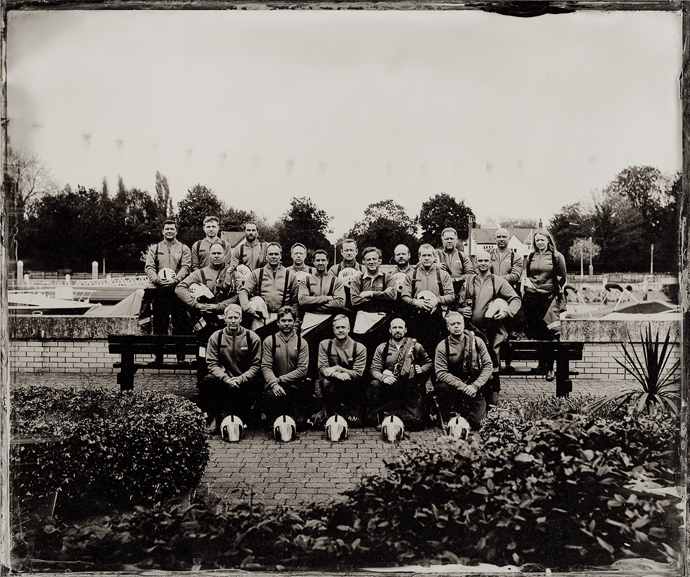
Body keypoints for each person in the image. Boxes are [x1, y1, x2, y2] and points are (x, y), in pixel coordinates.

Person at [458, 250, 521, 406]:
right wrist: (460, 310)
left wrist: (506, 312)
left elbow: (515, 299)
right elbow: (457, 302)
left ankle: (492, 405)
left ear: (491, 262)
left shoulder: (498, 281)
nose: (483, 263)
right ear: (475, 263)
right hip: (470, 331)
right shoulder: (468, 281)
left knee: (492, 367)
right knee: (471, 366)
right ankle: (473, 404)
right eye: (480, 261)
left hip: (492, 332)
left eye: (486, 260)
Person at [175, 242, 240, 379]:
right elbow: (179, 288)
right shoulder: (199, 273)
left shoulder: (233, 273)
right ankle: (202, 383)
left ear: (225, 255)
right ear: (209, 255)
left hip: (225, 324)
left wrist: (219, 306)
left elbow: (238, 295)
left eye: (219, 253)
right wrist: (196, 305)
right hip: (205, 325)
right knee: (203, 354)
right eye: (213, 253)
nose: (216, 256)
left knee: (226, 355)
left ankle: (226, 383)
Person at [197, 304, 262, 434]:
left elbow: (256, 365)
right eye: (230, 318)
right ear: (225, 319)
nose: (233, 321)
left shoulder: (252, 337)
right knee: (207, 383)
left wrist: (241, 379)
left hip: (243, 380)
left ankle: (248, 414)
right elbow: (212, 363)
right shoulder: (216, 337)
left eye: (236, 318)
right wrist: (226, 378)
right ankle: (213, 417)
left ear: (241, 319)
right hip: (224, 379)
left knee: (259, 383)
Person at [368, 318, 432, 430]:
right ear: (390, 330)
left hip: (409, 387)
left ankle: (393, 415)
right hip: (390, 386)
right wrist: (383, 378)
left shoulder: (415, 346)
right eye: (394, 327)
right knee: (375, 384)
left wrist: (421, 369)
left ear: (405, 330)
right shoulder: (382, 348)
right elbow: (374, 369)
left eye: (400, 327)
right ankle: (382, 416)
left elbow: (429, 363)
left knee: (417, 421)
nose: (397, 330)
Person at [522, 228, 567, 381]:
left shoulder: (557, 256)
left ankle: (550, 367)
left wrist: (554, 291)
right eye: (537, 240)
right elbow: (528, 275)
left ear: (548, 240)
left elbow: (563, 278)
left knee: (550, 333)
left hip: (549, 298)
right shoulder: (531, 256)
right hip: (532, 297)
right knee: (536, 331)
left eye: (542, 240)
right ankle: (542, 363)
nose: (540, 242)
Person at [433, 312, 493, 430]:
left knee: (478, 424)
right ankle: (448, 412)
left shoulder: (477, 342)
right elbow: (441, 373)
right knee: (442, 387)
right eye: (452, 324)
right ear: (448, 327)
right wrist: (463, 387)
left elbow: (488, 366)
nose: (456, 326)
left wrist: (475, 386)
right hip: (453, 386)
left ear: (464, 325)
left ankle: (469, 411)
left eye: (459, 323)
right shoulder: (442, 346)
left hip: (473, 386)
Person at [143, 220, 192, 354]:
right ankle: (158, 357)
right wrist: (157, 280)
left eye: (172, 229)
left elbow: (186, 267)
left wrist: (176, 280)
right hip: (160, 291)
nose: (169, 231)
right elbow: (149, 267)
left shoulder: (184, 248)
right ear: (163, 231)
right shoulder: (155, 248)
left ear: (176, 231)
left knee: (180, 325)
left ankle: (180, 357)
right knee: (159, 325)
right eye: (167, 229)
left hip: (177, 291)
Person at [261, 306, 311, 429]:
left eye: (289, 320)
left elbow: (302, 370)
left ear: (295, 322)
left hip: (294, 386)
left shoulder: (302, 343)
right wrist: (274, 384)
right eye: (283, 320)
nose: (287, 324)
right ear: (278, 322)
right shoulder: (270, 341)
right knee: (274, 425)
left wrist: (280, 380)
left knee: (299, 424)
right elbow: (266, 367)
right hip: (275, 387)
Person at [401, 243, 455, 353]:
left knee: (435, 349)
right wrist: (416, 302)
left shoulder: (443, 275)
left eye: (429, 255)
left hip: (437, 319)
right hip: (416, 319)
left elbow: (451, 296)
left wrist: (437, 300)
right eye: (424, 255)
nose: (426, 258)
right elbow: (404, 296)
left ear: (434, 257)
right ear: (419, 257)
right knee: (416, 350)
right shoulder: (411, 275)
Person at [239, 242, 300, 334]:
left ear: (280, 256)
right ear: (266, 256)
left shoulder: (290, 275)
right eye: (271, 254)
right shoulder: (257, 273)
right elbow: (244, 291)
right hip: (261, 318)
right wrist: (247, 308)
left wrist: (295, 325)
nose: (273, 257)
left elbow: (295, 302)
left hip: (283, 318)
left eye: (276, 254)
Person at [317, 314, 368, 425]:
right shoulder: (325, 344)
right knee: (326, 383)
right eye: (337, 327)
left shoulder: (359, 347)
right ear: (333, 330)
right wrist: (336, 375)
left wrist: (337, 369)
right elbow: (322, 368)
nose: (340, 330)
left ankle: (350, 411)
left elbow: (358, 374)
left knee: (356, 423)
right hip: (332, 383)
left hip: (351, 385)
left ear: (349, 329)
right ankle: (330, 413)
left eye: (343, 327)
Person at [489, 227, 524, 372]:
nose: (501, 239)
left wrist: (496, 279)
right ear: (495, 239)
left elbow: (515, 276)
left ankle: (508, 363)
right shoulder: (489, 255)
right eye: (499, 237)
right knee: (493, 329)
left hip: (509, 295)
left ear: (509, 239)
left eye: (504, 236)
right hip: (491, 295)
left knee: (508, 330)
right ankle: (494, 363)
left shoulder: (516, 257)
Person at [349, 246, 398, 342]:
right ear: (363, 261)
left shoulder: (388, 277)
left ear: (380, 261)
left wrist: (371, 294)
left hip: (383, 319)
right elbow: (354, 300)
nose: (371, 262)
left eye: (374, 259)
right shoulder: (357, 279)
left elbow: (393, 296)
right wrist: (383, 295)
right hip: (363, 320)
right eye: (368, 259)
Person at [298, 249, 347, 316]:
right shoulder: (306, 280)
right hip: (310, 317)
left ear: (327, 261)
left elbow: (340, 303)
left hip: (331, 316)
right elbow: (302, 300)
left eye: (323, 260)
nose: (320, 263)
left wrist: (312, 307)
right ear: (313, 262)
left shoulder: (336, 281)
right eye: (318, 260)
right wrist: (326, 298)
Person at [435, 227, 474, 305]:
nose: (449, 241)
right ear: (442, 240)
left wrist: (455, 279)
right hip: (441, 292)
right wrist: (434, 265)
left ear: (456, 240)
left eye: (451, 239)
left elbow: (470, 275)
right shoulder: (436, 255)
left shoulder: (462, 256)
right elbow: (421, 265)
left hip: (458, 292)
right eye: (446, 239)